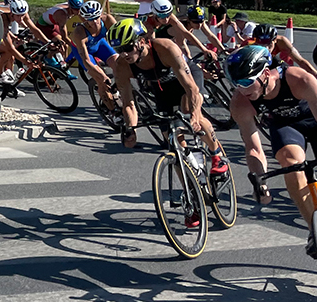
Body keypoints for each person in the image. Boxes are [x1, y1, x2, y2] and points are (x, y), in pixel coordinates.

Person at [107, 19, 229, 185]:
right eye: (119, 50)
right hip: (162, 88)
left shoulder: (165, 48)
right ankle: (192, 191)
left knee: (189, 111)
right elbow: (129, 103)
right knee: (172, 141)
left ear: (141, 41)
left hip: (185, 80)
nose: (124, 54)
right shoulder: (122, 65)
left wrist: (194, 116)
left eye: (127, 48)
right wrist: (130, 129)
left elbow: (191, 89)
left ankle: (217, 156)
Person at [226, 44, 317, 256]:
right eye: (236, 84)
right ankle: (313, 228)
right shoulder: (240, 103)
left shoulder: (299, 79)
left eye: (247, 82)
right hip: (286, 126)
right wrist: (261, 181)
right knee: (290, 163)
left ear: (265, 73)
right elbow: (253, 147)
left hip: (313, 117)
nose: (242, 89)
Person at [251, 24, 317, 77]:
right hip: (257, 62)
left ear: (275, 40)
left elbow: (300, 61)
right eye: (260, 44)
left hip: (273, 61)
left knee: (284, 68)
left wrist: (315, 75)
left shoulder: (282, 42)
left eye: (268, 44)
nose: (265, 47)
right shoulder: (249, 45)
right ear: (254, 41)